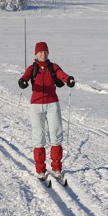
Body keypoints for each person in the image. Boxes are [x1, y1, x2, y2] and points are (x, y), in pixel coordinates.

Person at [18, 41, 75, 182]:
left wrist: (69, 79)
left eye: (45, 52)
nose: (43, 54)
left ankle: (56, 168)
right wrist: (22, 82)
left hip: (52, 103)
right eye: (40, 52)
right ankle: (40, 170)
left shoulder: (53, 67)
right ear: (36, 54)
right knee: (39, 137)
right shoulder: (32, 68)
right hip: (36, 106)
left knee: (56, 134)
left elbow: (62, 75)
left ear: (48, 53)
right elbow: (24, 78)